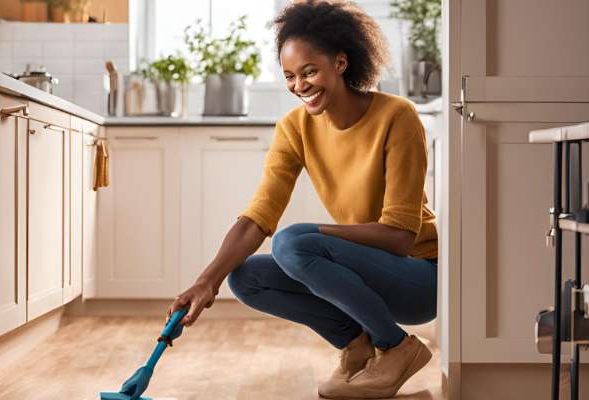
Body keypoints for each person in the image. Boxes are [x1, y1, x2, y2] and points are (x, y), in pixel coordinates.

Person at [167, 0, 438, 398]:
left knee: (292, 242)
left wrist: (314, 238)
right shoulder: (294, 128)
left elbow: (399, 236)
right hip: (365, 271)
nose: (300, 86)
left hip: (418, 276)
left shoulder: (397, 116)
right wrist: (207, 282)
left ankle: (395, 347)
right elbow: (259, 215)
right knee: (246, 276)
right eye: (290, 76)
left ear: (341, 63)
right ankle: (357, 346)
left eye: (310, 72)